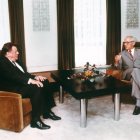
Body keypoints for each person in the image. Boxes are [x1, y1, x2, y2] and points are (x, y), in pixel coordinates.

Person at [0, 42, 61, 130]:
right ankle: (35, 121)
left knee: (45, 81)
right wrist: (31, 81)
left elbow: (24, 74)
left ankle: (47, 112)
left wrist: (36, 77)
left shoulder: (17, 61)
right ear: (8, 53)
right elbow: (13, 77)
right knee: (35, 88)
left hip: (20, 83)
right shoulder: (2, 62)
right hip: (11, 88)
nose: (18, 53)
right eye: (16, 51)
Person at [114, 35, 140, 115]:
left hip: (137, 75)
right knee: (135, 70)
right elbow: (118, 68)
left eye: (127, 42)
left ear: (133, 43)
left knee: (135, 79)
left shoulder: (139, 51)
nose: (125, 44)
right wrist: (116, 61)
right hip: (127, 73)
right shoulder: (121, 54)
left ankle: (138, 104)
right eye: (124, 42)